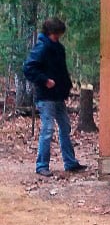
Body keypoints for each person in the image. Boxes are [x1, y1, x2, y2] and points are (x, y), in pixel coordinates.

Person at [23, 18, 87, 177]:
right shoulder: (42, 47)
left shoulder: (58, 48)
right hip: (46, 97)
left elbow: (61, 70)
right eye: (56, 34)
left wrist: (66, 86)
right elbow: (28, 68)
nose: (58, 36)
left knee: (65, 127)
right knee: (48, 130)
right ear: (50, 32)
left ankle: (70, 162)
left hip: (58, 96)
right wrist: (45, 80)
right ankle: (42, 165)